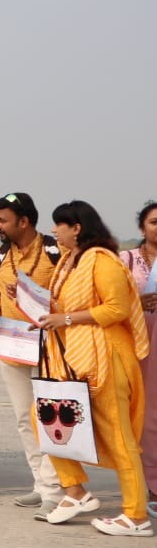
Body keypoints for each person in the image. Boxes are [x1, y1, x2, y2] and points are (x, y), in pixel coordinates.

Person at [37, 201, 151, 537]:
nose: (55, 230)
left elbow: (116, 308)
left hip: (106, 356)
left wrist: (66, 318)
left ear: (77, 228)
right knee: (44, 416)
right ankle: (76, 492)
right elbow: (65, 306)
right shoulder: (70, 263)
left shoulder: (101, 259)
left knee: (118, 435)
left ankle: (136, 515)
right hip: (74, 356)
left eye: (60, 225)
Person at [0, 192, 66, 517]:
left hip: (49, 346)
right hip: (10, 345)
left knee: (49, 416)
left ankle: (56, 487)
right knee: (23, 418)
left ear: (24, 221)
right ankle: (40, 484)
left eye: (2, 220)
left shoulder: (55, 252)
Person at [119, 201, 157, 518]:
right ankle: (148, 484)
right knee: (142, 414)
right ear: (142, 227)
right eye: (155, 222)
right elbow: (110, 300)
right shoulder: (125, 260)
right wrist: (138, 302)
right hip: (137, 343)